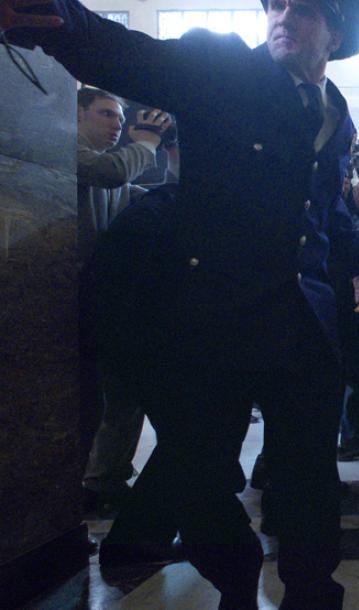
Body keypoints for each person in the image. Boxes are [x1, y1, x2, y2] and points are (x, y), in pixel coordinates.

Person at [3, 1, 359, 607]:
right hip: (215, 320)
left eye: (303, 8)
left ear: (336, 31)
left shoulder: (334, 110)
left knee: (309, 482)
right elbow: (125, 53)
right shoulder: (223, 69)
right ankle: (236, 575)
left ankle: (312, 594)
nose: (283, 15)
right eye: (275, 4)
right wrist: (54, 16)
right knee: (196, 479)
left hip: (302, 325)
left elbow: (324, 207)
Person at [76, 87, 175, 512]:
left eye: (119, 116)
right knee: (87, 401)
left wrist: (171, 150)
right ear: (77, 115)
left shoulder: (116, 172)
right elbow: (112, 171)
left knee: (122, 394)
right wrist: (147, 142)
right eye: (105, 114)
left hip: (103, 303)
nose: (117, 123)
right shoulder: (66, 154)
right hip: (60, 300)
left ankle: (106, 479)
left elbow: (160, 197)